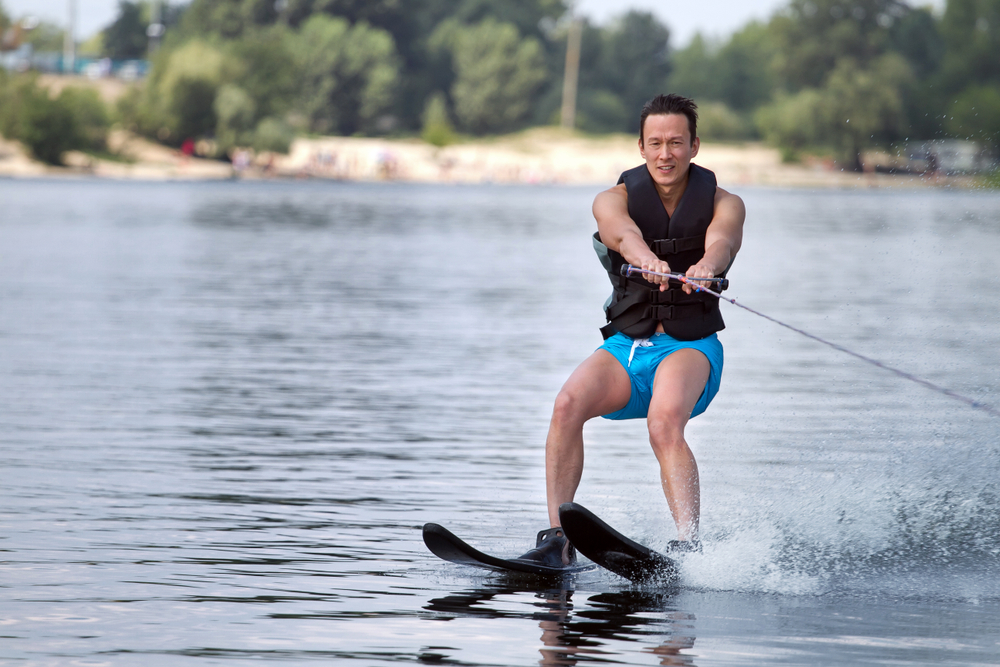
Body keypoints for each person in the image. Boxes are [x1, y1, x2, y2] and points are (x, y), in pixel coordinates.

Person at [516, 94, 746, 567]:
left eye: (677, 143)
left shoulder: (727, 203)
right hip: (628, 345)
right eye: (656, 143)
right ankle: (556, 541)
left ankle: (688, 546)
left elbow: (723, 240)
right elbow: (620, 232)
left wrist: (706, 264)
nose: (666, 154)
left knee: (664, 423)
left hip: (690, 347)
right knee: (566, 405)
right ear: (641, 147)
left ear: (695, 146)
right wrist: (644, 258)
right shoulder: (612, 198)